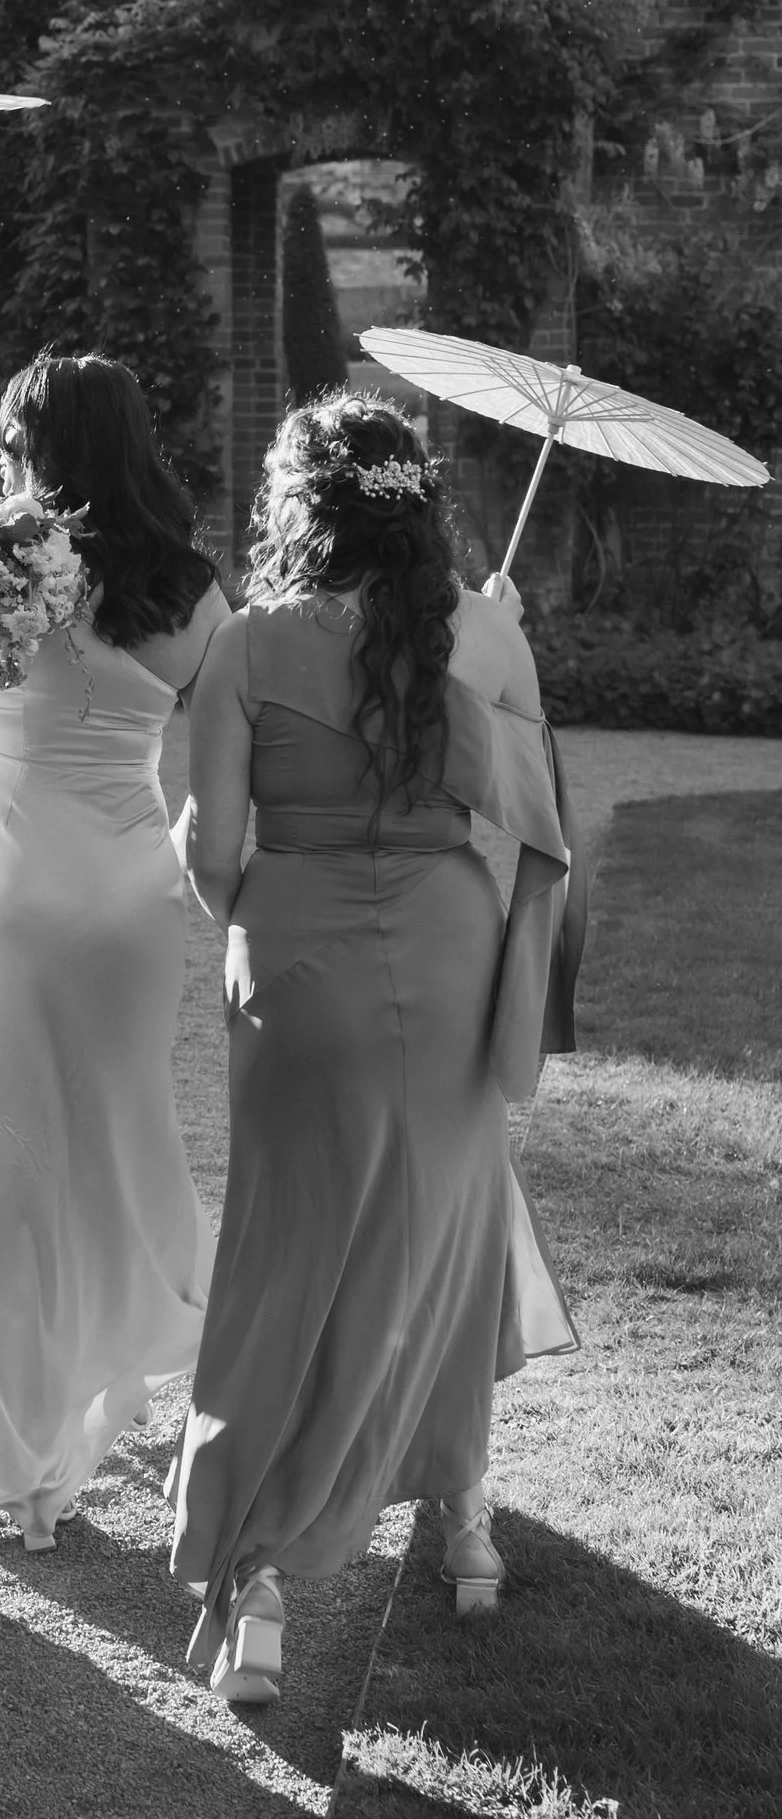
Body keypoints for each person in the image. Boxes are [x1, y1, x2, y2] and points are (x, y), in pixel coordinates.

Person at [169, 393, 578, 1710]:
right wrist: (493, 643)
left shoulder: (247, 645)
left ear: (302, 506)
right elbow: (526, 811)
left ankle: (260, 1586)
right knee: (448, 1242)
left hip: (301, 971)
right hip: (452, 964)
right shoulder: (482, 632)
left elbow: (219, 858)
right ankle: (466, 1527)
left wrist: (213, 866)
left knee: (284, 1263)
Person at [0, 351, 232, 1546]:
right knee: (115, 1136)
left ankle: (19, 1457)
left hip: (5, 881)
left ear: (35, 453)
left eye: (11, 447)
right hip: (127, 898)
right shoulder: (194, 592)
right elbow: (220, 778)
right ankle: (175, 1317)